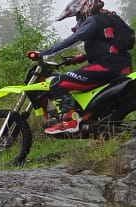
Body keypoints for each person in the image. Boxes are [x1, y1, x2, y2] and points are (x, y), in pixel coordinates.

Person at [33, 0, 133, 134]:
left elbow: (73, 39)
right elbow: (108, 47)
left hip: (106, 66)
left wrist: (45, 53)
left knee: (58, 82)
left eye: (78, 15)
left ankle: (69, 121)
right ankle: (97, 130)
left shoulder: (93, 20)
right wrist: (79, 58)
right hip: (121, 65)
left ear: (85, 9)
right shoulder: (110, 18)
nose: (77, 19)